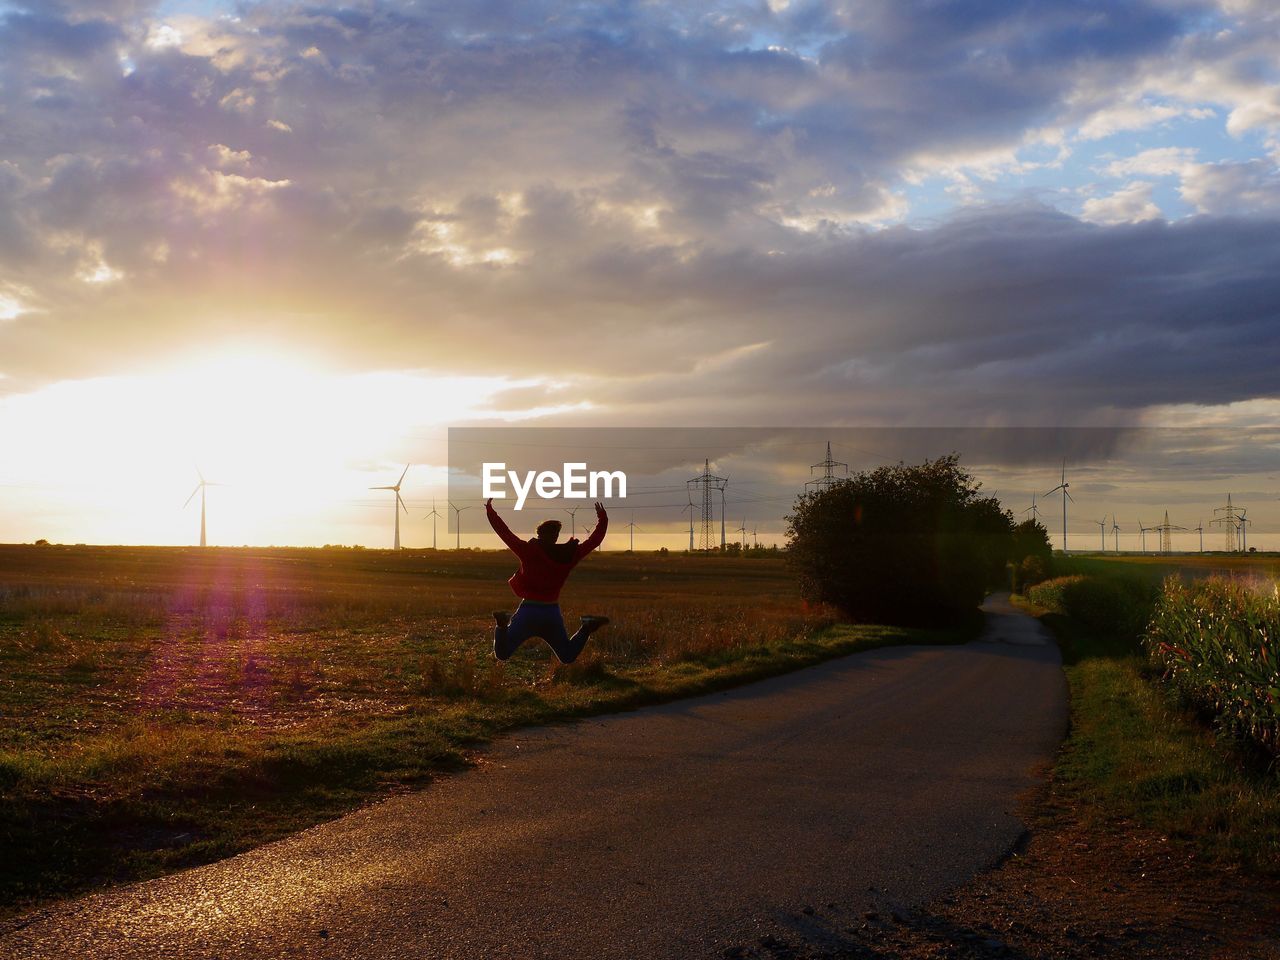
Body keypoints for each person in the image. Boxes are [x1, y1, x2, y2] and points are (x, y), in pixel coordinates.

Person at [485, 497, 610, 664]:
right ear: (556, 536)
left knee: (502, 653)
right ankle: (587, 627)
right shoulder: (570, 554)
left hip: (528, 611)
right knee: (567, 656)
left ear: (539, 534)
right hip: (551, 613)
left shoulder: (528, 550)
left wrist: (490, 512)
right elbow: (594, 541)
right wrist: (603, 518)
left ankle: (501, 623)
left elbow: (505, 533)